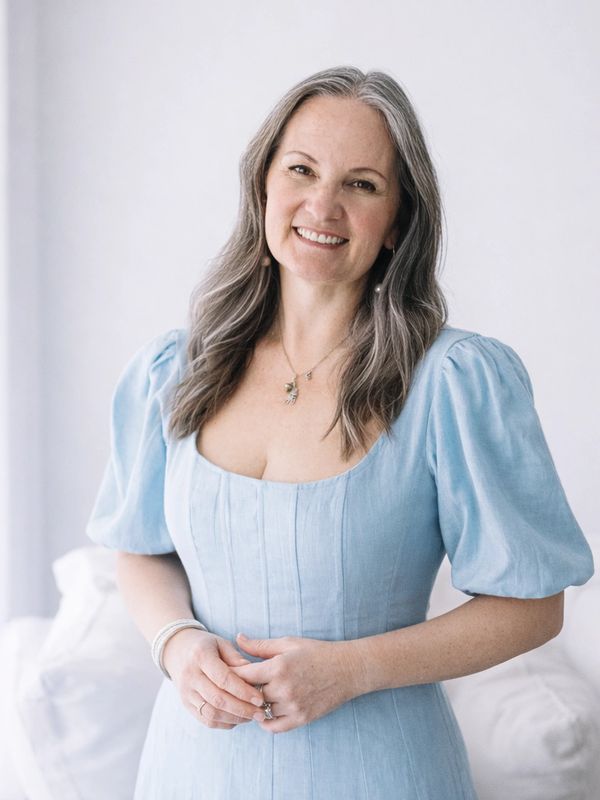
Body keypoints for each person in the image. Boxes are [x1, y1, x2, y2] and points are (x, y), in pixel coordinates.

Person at [86, 66, 595, 799]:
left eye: (362, 184)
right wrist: (177, 641)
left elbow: (534, 606)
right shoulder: (175, 369)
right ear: (263, 182)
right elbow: (135, 549)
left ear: (397, 222)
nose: (322, 204)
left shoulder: (453, 382)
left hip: (382, 771)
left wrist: (351, 671)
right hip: (190, 770)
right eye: (302, 169)